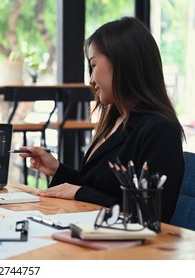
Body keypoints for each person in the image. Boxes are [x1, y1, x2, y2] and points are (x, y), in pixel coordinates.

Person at [18, 17, 185, 223]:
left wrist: (81, 193)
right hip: (94, 231)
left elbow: (150, 213)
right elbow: (98, 187)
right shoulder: (113, 120)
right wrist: (57, 169)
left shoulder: (160, 129)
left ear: (122, 62)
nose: (90, 80)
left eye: (93, 65)